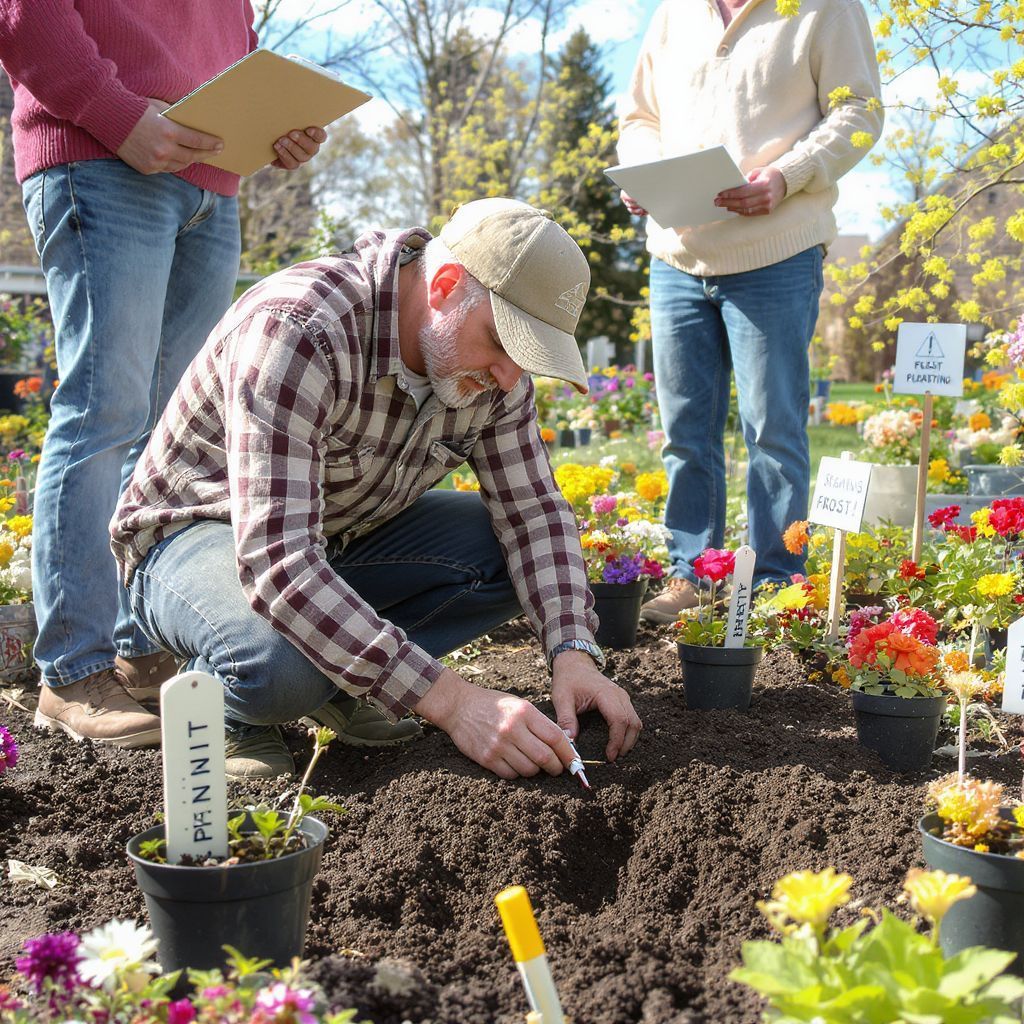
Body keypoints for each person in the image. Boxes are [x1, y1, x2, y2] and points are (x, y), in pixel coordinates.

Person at [108, 197, 643, 780]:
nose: (511, 375)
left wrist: (574, 652)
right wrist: (453, 701)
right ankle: (238, 698)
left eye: (528, 355)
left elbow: (535, 515)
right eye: (502, 341)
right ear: (443, 285)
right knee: (280, 665)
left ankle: (342, 678)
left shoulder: (492, 373)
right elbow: (277, 561)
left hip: (333, 541)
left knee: (509, 556)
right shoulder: (302, 328)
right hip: (198, 536)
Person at [0, 2, 327, 747]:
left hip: (212, 182)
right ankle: (72, 670)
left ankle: (136, 645)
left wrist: (277, 124)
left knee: (171, 436)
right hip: (100, 157)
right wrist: (115, 114)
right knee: (103, 412)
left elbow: (234, 45)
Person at [617, 0, 883, 623]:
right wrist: (643, 170)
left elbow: (860, 110)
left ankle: (772, 584)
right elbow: (639, 115)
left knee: (773, 432)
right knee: (685, 435)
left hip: (777, 254)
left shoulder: (825, 8)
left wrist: (788, 175)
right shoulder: (673, 15)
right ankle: (691, 574)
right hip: (677, 256)